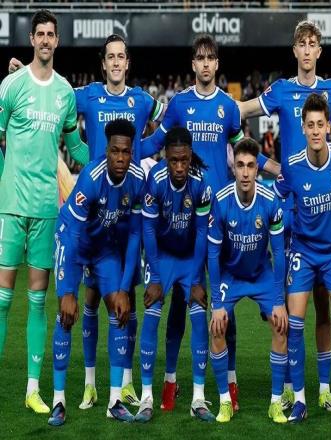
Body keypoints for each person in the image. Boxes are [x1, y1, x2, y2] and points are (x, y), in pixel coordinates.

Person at [9, 33, 165, 408]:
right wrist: (25, 72)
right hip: (93, 207)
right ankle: (92, 383)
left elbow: (168, 121)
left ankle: (125, 383)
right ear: (104, 63)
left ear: (128, 63)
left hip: (125, 209)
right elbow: (52, 90)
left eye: (121, 56)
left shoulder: (142, 100)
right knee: (92, 300)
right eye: (110, 57)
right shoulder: (89, 95)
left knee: (126, 299)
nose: (116, 62)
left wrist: (144, 151)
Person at [239, 20, 331, 411]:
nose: (308, 49)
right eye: (302, 44)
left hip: (324, 214)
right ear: (295, 51)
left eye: (314, 43)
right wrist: (270, 166)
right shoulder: (281, 90)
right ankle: (287, 388)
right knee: (287, 309)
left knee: (324, 307)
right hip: (291, 214)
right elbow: (241, 111)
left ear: (319, 51)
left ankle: (327, 388)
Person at [141, 34, 277, 413]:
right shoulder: (179, 104)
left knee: (222, 304)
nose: (204, 64)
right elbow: (155, 145)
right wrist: (114, 154)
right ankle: (170, 383)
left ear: (217, 64)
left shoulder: (228, 108)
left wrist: (278, 169)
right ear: (193, 64)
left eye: (210, 58)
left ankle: (228, 382)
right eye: (199, 58)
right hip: (185, 221)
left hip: (223, 219)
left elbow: (245, 151)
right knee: (180, 303)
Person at [0, 9, 88, 414]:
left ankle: (32, 389)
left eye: (52, 34)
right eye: (41, 34)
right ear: (32, 39)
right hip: (11, 206)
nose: (47, 40)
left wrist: (111, 159)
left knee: (37, 301)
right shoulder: (11, 85)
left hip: (45, 209)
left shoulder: (65, 93)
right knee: (2, 300)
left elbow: (77, 148)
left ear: (57, 40)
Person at [49, 118, 144, 425]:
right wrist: (68, 291)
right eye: (115, 151)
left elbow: (134, 235)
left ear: (132, 153)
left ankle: (114, 400)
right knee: (66, 314)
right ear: (106, 151)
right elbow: (73, 234)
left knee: (120, 310)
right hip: (73, 241)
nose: (120, 158)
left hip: (104, 248)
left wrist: (124, 288)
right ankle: (59, 400)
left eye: (126, 152)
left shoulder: (137, 179)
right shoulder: (92, 176)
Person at [273, 93, 331, 424]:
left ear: (329, 126)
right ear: (303, 128)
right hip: (303, 253)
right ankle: (300, 400)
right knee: (294, 323)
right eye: (311, 125)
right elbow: (275, 199)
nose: (316, 130)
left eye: (321, 124)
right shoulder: (292, 165)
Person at [135, 126, 214, 422]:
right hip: (162, 257)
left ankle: (198, 398)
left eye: (184, 160)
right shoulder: (154, 180)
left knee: (198, 316)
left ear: (190, 156)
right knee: (152, 314)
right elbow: (148, 231)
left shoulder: (201, 183)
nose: (179, 167)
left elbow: (203, 233)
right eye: (173, 160)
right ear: (165, 156)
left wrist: (196, 281)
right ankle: (146, 397)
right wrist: (155, 278)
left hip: (191, 257)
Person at [208, 138, 287, 423]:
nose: (244, 172)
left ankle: (276, 402)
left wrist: (279, 301)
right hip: (230, 274)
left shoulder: (270, 201)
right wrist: (217, 303)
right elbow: (213, 254)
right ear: (234, 168)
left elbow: (279, 252)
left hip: (260, 273)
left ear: (257, 170)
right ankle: (225, 401)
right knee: (217, 327)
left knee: (281, 324)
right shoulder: (221, 200)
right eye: (240, 165)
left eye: (250, 166)